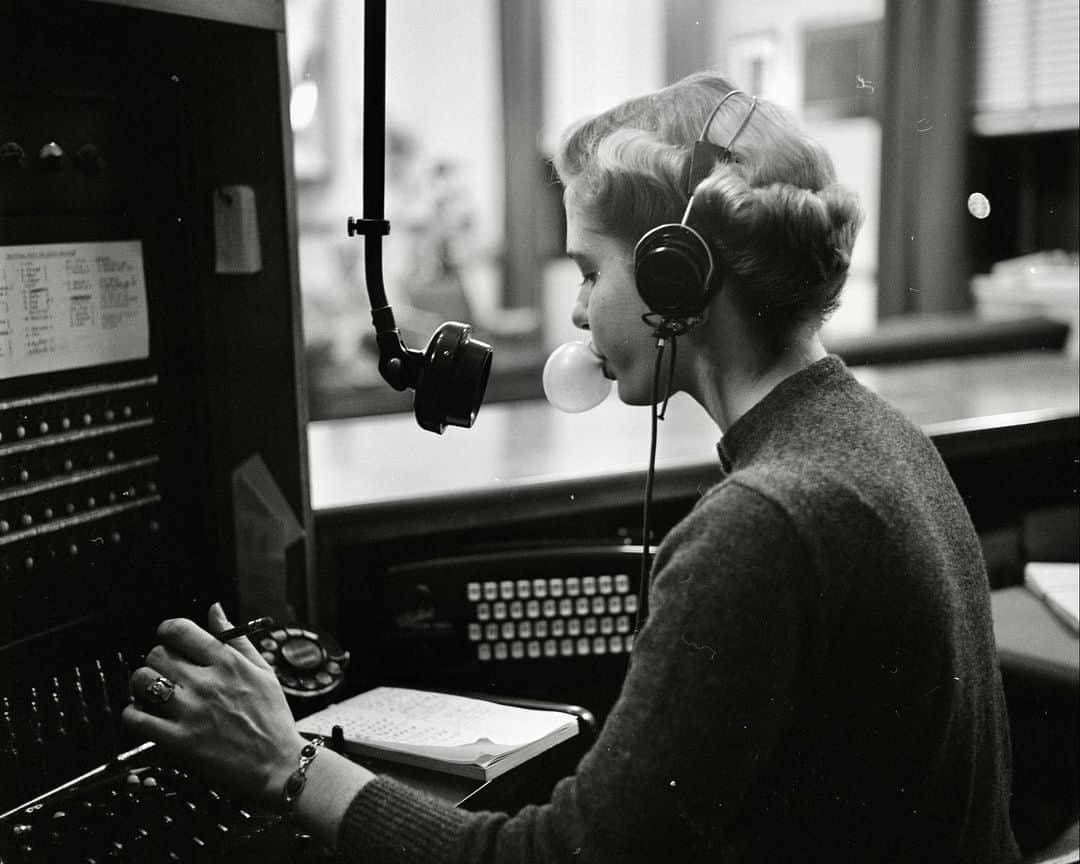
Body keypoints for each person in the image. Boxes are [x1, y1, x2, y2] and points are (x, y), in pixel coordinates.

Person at [122, 72, 1020, 863]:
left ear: (679, 278)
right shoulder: (876, 437)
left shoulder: (763, 521)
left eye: (591, 271)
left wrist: (288, 764)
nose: (582, 313)